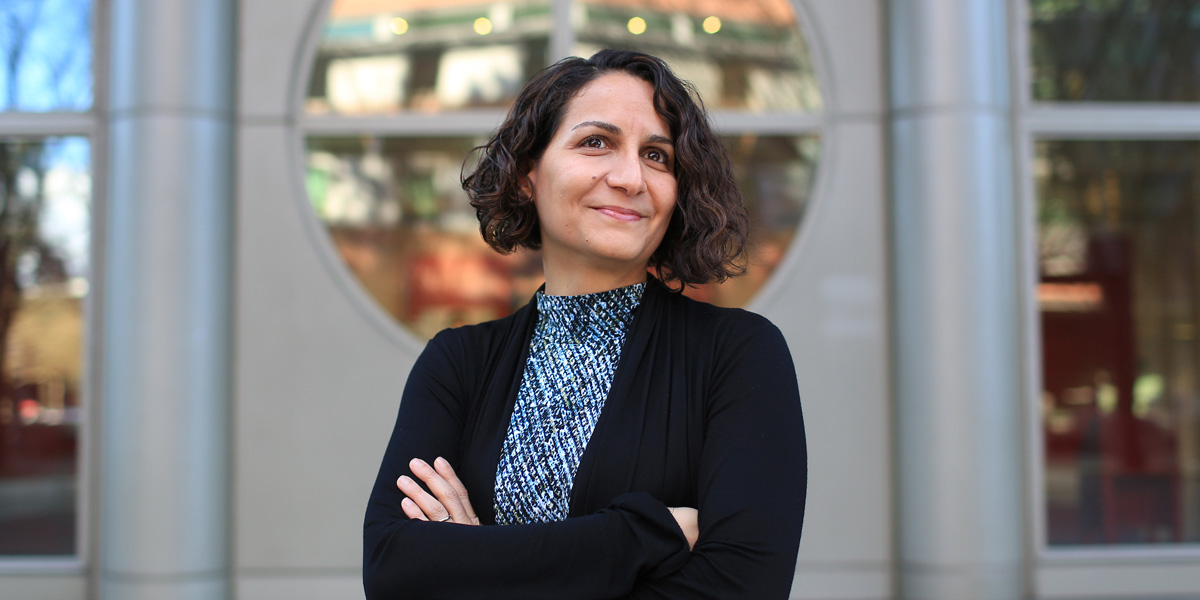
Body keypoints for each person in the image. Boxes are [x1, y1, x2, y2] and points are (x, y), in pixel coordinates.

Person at [363, 49, 806, 600]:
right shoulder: (457, 363)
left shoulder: (738, 354)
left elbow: (743, 587)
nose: (630, 178)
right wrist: (643, 534)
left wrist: (476, 560)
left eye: (657, 155)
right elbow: (393, 569)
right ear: (527, 175)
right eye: (596, 142)